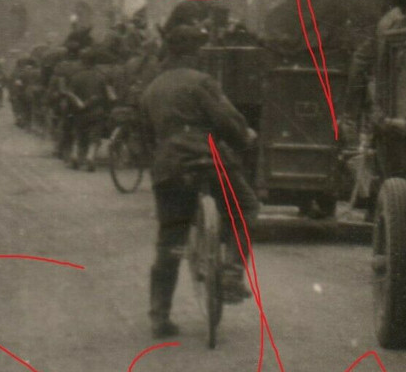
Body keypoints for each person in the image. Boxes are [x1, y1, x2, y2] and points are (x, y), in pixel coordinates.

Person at [140, 23, 261, 338]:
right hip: (207, 160)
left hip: (170, 168)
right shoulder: (202, 83)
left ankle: (158, 316)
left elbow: (144, 137)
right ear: (195, 53)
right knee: (245, 207)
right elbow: (228, 121)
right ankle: (233, 274)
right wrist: (244, 137)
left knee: (169, 241)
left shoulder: (152, 88)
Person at [65, 48, 111, 171]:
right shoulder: (102, 77)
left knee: (78, 134)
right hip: (97, 112)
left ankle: (74, 155)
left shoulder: (75, 77)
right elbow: (109, 97)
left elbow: (70, 96)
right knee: (95, 136)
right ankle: (90, 157)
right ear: (95, 62)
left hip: (79, 113)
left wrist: (73, 110)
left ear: (82, 61)